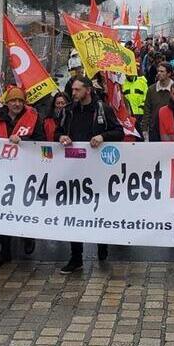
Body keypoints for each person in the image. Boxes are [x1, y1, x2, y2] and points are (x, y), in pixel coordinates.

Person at [57, 76, 124, 273]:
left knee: (99, 209)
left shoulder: (102, 109)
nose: (74, 93)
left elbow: (119, 132)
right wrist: (61, 136)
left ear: (87, 90)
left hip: (98, 171)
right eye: (73, 90)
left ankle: (102, 243)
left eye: (77, 90)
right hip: (74, 169)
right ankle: (76, 257)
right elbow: (56, 132)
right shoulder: (68, 111)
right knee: (74, 212)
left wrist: (103, 136)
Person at [0, 87, 43, 265]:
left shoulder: (33, 117)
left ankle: (28, 236)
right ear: (7, 103)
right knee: (3, 211)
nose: (17, 104)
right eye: (13, 101)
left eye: (20, 101)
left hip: (26, 172)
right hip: (3, 171)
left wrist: (23, 142)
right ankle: (5, 250)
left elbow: (42, 141)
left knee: (24, 208)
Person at [142, 63, 174, 137]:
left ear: (169, 73)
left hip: (171, 129)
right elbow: (147, 110)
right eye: (158, 71)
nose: (159, 73)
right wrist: (144, 128)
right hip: (155, 129)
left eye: (162, 71)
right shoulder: (151, 89)